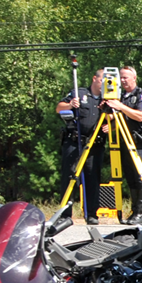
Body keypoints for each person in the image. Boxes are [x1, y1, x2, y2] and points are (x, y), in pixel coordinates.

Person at [102, 65, 142, 225]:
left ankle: (140, 213)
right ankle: (134, 212)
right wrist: (110, 121)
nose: (123, 80)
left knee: (140, 177)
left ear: (134, 78)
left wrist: (120, 107)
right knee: (130, 178)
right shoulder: (121, 96)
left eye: (126, 77)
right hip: (124, 141)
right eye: (121, 77)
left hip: (138, 143)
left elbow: (139, 116)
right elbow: (122, 118)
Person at [55, 69, 106, 225]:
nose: (105, 83)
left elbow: (116, 119)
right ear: (95, 78)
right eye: (103, 79)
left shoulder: (109, 99)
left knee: (92, 179)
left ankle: (92, 214)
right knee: (69, 177)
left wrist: (110, 126)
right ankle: (65, 215)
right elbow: (59, 108)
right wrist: (70, 104)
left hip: (95, 144)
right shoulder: (80, 93)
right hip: (75, 141)